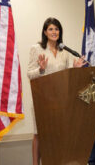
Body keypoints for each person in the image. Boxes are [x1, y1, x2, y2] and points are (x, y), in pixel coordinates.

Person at [27, 17, 86, 165]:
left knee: (56, 133)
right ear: (45, 32)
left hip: (59, 99)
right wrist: (41, 69)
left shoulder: (64, 52)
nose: (54, 32)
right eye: (51, 29)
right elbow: (29, 74)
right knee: (39, 134)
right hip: (42, 97)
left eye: (57, 29)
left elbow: (65, 76)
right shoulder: (37, 48)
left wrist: (75, 69)